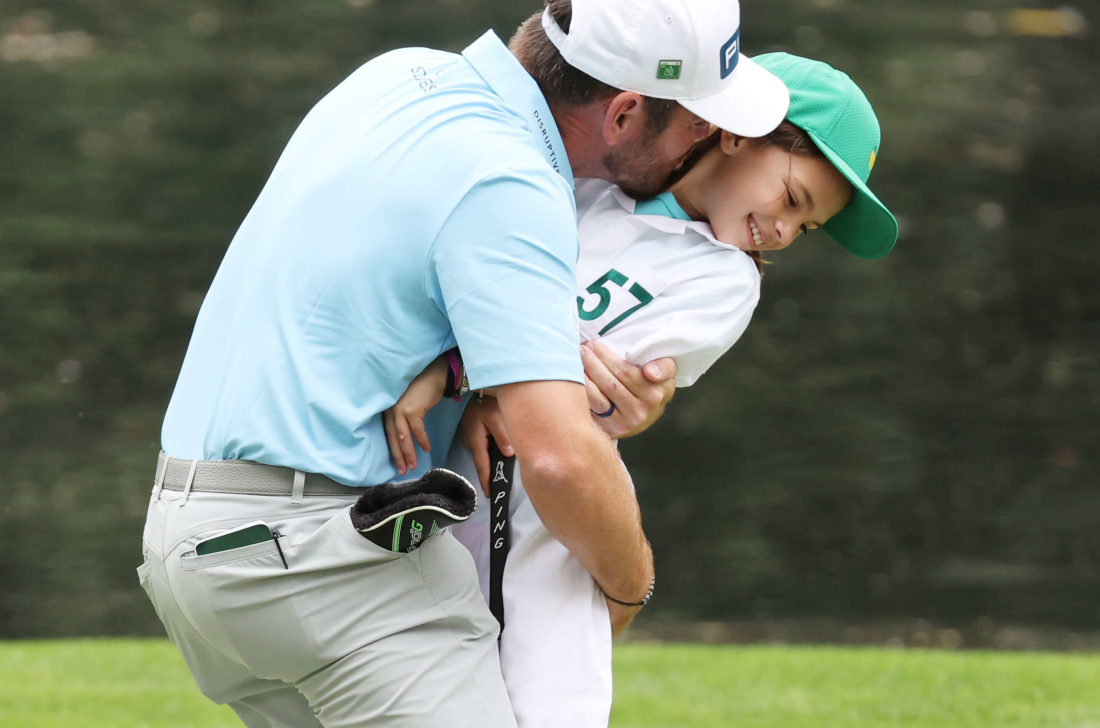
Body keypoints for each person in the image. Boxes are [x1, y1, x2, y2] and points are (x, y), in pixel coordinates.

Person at [136, 0, 790, 726]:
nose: (703, 147)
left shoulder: (397, 75)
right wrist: (630, 583)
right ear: (625, 113)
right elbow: (560, 458)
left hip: (191, 539)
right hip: (317, 558)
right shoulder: (510, 181)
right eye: (698, 126)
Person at [383, 52, 899, 728]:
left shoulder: (725, 283)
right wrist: (470, 378)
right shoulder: (592, 174)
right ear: (740, 131)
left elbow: (583, 377)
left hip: (544, 510)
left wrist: (459, 376)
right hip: (430, 480)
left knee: (548, 701)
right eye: (793, 199)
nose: (782, 231)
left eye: (805, 228)